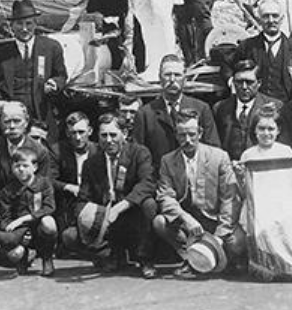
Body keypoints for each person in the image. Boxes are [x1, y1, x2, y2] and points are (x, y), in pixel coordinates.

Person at [153, 109, 243, 279]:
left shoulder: (219, 157)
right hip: (189, 221)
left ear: (200, 133)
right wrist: (186, 218)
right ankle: (191, 259)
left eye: (192, 134)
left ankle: (219, 257)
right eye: (182, 135)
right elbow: (165, 197)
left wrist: (219, 236)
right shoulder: (168, 161)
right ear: (176, 135)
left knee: (236, 242)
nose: (187, 140)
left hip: (214, 219)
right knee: (160, 222)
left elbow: (230, 198)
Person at [77, 113, 157, 277]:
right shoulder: (91, 163)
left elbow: (147, 183)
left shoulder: (139, 153)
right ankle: (112, 255)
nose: (108, 140)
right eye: (103, 135)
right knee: (70, 236)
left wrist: (122, 206)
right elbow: (83, 197)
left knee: (149, 204)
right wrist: (89, 215)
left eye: (113, 135)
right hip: (107, 217)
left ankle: (145, 259)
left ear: (125, 134)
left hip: (133, 210)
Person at [0, 0, 67, 139]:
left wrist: (55, 83)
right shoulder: (0, 55)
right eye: (19, 24)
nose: (24, 29)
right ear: (11, 26)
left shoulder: (51, 48)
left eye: (28, 23)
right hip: (11, 122)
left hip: (41, 118)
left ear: (36, 24)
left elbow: (61, 76)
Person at [131, 55, 219, 171]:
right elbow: (139, 157)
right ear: (160, 79)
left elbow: (212, 150)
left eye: (177, 75)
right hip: (158, 181)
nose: (172, 80)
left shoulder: (202, 109)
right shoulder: (145, 114)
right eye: (167, 75)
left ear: (185, 79)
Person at [0, 146, 58, 276]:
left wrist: (23, 219)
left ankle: (47, 258)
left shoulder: (44, 184)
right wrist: (14, 230)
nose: (21, 169)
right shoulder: (8, 190)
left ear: (34, 167)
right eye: (17, 166)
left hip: (39, 227)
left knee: (49, 222)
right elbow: (6, 216)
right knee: (12, 250)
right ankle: (22, 257)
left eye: (25, 165)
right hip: (21, 231)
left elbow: (49, 208)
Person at [0, 101, 56, 214]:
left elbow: (43, 185)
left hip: (28, 207)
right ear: (0, 123)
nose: (12, 126)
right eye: (7, 122)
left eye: (17, 121)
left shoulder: (40, 151)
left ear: (26, 122)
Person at [229, 0, 292, 101]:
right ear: (259, 19)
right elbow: (230, 69)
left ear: (282, 18)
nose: (271, 20)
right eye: (266, 16)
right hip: (256, 108)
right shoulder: (246, 46)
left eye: (275, 16)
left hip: (287, 107)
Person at [213, 58, 282, 160]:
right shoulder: (220, 108)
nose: (244, 87)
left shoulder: (275, 106)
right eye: (239, 82)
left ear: (259, 83)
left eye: (249, 82)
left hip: (261, 166)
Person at [53, 111, 99, 243]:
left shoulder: (98, 150)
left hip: (93, 201)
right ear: (67, 133)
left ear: (90, 131)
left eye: (81, 132)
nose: (78, 137)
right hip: (68, 202)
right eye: (73, 133)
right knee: (69, 237)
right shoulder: (57, 150)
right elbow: (48, 179)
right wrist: (69, 187)